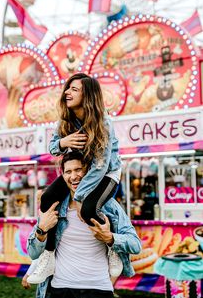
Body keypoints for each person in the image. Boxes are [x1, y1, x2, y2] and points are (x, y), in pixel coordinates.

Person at [27, 73, 123, 284]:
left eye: (74, 89)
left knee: (88, 208)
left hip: (106, 172)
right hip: (81, 170)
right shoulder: (66, 119)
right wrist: (64, 141)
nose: (67, 92)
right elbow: (53, 147)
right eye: (68, 88)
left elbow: (100, 166)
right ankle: (48, 256)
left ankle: (113, 249)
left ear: (87, 95)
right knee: (47, 198)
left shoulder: (104, 122)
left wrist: (79, 198)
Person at [27, 151, 142, 298]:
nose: (73, 176)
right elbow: (32, 253)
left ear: (89, 172)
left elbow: (135, 244)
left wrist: (110, 238)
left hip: (98, 288)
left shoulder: (108, 205)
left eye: (78, 170)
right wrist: (41, 230)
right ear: (62, 176)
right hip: (60, 289)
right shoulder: (54, 206)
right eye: (68, 171)